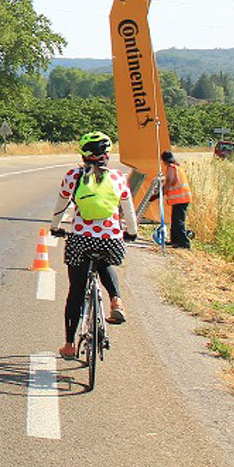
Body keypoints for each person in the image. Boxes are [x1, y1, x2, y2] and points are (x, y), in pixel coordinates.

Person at [49, 131, 138, 360]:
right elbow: (128, 211)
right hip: (111, 239)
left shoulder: (73, 176)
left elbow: (60, 206)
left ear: (83, 155)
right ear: (107, 154)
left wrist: (55, 227)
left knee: (76, 291)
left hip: (80, 238)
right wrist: (131, 233)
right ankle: (116, 299)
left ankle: (69, 344)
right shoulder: (118, 178)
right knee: (105, 262)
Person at [152, 150, 193, 248]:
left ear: (164, 161)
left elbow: (169, 182)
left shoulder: (171, 168)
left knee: (178, 221)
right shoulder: (177, 168)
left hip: (181, 199)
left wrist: (158, 194)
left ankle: (184, 243)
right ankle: (174, 240)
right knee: (175, 220)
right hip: (181, 198)